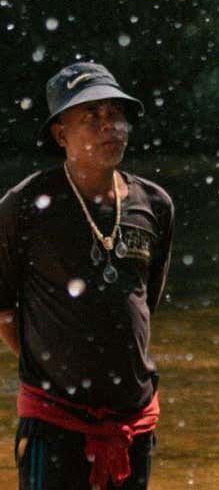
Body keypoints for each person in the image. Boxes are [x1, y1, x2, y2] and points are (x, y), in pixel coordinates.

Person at [0, 62, 173, 489]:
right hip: (54, 420)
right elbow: (2, 308)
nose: (109, 126)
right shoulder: (24, 206)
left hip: (132, 418)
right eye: (91, 117)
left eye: (115, 113)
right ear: (61, 135)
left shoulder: (154, 204)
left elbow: (144, 303)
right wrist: (54, 368)